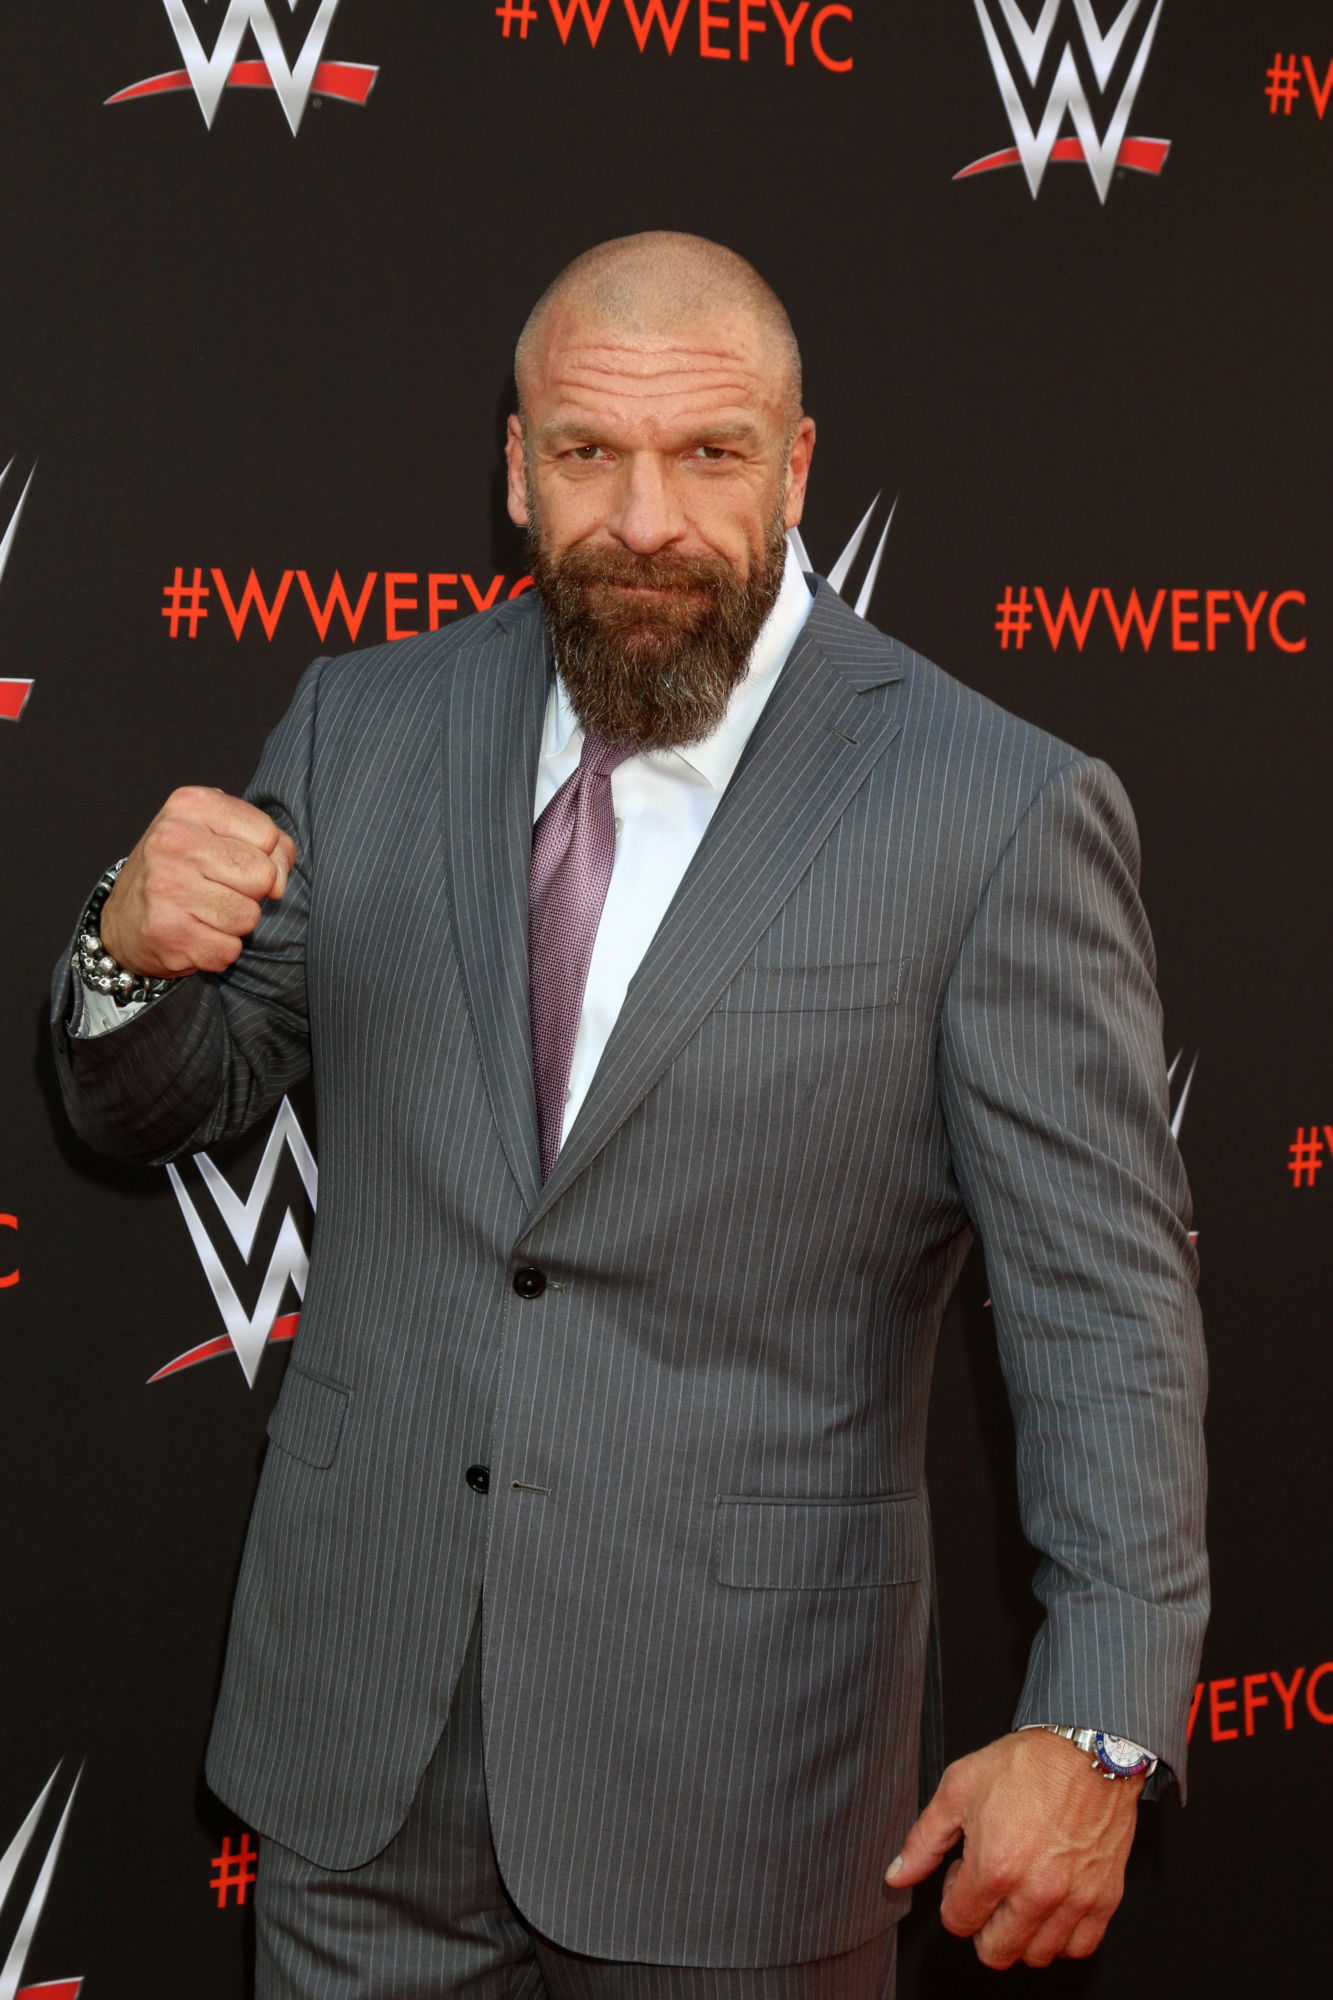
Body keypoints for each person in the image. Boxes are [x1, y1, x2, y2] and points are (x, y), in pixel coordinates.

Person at [52, 232, 1207, 2000]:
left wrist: (1102, 1723)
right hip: (359, 1748)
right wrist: (126, 954)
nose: (646, 519)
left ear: (796, 466)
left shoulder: (993, 807)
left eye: (708, 454)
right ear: (515, 468)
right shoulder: (363, 718)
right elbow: (167, 1105)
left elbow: (1103, 1310)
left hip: (745, 1780)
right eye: (588, 452)